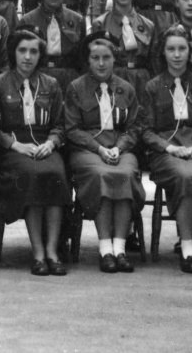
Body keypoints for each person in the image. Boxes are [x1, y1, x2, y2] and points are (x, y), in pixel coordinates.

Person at [142, 25, 192, 274]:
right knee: (186, 177)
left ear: (190, 52)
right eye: (171, 49)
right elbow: (145, 130)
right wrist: (169, 148)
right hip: (166, 153)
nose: (177, 55)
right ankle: (187, 246)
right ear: (163, 53)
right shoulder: (152, 87)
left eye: (182, 49)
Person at [0, 25, 68, 276]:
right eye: (22, 50)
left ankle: (53, 251)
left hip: (44, 146)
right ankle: (38, 253)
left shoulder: (51, 84)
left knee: (56, 173)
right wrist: (15, 145)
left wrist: (51, 143)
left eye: (34, 51)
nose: (27, 57)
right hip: (14, 148)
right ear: (13, 53)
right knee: (32, 176)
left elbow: (60, 124)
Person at [65, 32, 144, 273]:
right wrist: (99, 149)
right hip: (88, 150)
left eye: (106, 57)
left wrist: (118, 148)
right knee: (102, 176)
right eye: (95, 58)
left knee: (125, 174)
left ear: (114, 59)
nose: (101, 63)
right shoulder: (76, 88)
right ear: (88, 61)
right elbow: (73, 129)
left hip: (120, 148)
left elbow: (134, 127)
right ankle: (105, 249)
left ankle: (120, 248)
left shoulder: (126, 89)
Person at [92, 0, 156, 97]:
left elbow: (154, 63)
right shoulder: (100, 23)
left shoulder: (148, 25)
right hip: (111, 80)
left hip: (141, 82)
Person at [20, 0, 85, 89]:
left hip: (70, 79)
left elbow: (83, 60)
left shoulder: (77, 20)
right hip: (38, 77)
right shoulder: (27, 21)